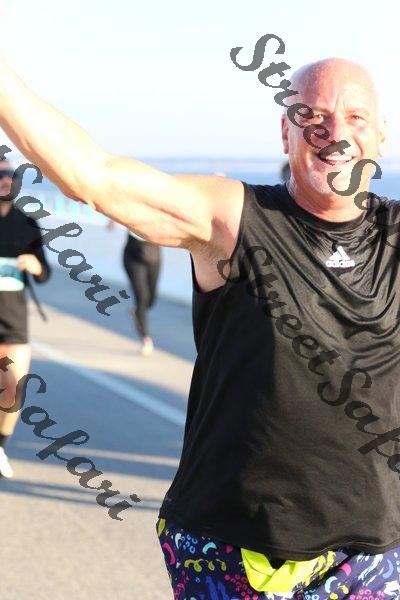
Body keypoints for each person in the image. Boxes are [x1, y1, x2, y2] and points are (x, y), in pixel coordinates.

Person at [0, 56, 399, 598]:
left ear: (380, 134)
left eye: (356, 118)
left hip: (372, 554)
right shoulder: (233, 218)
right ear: (285, 133)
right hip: (231, 546)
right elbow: (93, 177)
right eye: (314, 117)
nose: (336, 134)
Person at [0, 157, 50, 478]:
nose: (6, 180)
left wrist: (35, 265)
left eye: (10, 174)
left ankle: (0, 446)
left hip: (13, 320)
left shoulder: (28, 223)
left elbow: (45, 274)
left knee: (15, 389)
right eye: (0, 175)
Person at [107, 219, 161, 356]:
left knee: (151, 299)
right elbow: (120, 211)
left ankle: (137, 312)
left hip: (154, 255)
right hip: (133, 258)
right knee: (142, 296)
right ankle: (145, 339)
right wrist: (112, 220)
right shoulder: (135, 211)